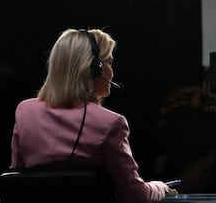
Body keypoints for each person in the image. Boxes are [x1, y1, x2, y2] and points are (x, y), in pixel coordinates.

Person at [10, 28, 176, 203]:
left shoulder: (24, 112)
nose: (112, 72)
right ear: (94, 68)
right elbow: (135, 196)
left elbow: (17, 181)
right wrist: (159, 187)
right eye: (109, 63)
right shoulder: (111, 123)